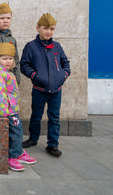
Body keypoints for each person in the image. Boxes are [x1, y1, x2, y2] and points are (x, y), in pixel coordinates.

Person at [20, 13, 71, 157]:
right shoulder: (31, 47)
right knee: (36, 115)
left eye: (52, 29)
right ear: (38, 28)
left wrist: (64, 75)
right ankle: (33, 138)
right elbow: (24, 65)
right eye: (45, 28)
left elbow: (65, 63)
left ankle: (53, 144)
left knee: (54, 116)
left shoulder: (57, 46)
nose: (48, 31)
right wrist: (35, 76)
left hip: (56, 90)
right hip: (39, 89)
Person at [0, 43, 37, 171]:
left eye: (10, 58)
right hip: (7, 111)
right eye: (4, 58)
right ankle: (12, 156)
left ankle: (18, 152)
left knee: (17, 132)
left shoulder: (5, 72)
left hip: (11, 109)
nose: (8, 61)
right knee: (14, 133)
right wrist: (4, 112)